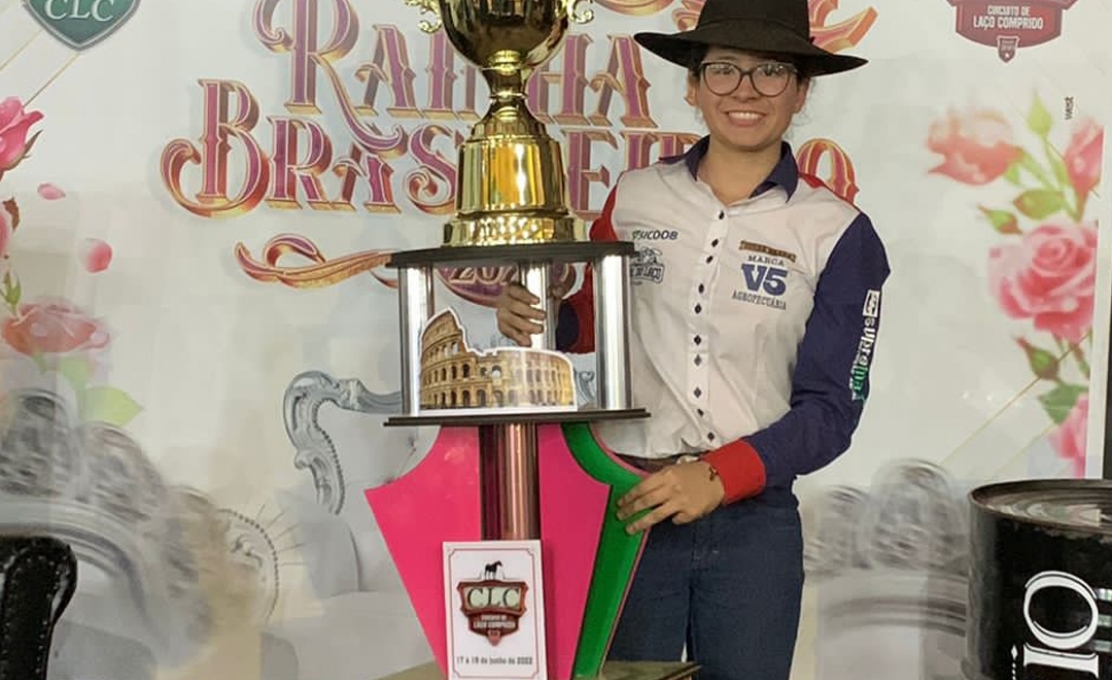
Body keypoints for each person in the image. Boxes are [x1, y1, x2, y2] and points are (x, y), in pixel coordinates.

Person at [495, 0, 890, 678]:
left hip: (753, 527)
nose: (745, 90)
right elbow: (588, 333)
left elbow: (830, 412)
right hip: (627, 506)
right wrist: (535, 317)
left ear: (801, 90)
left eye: (770, 71)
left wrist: (719, 476)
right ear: (692, 83)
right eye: (724, 69)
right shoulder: (635, 197)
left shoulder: (837, 231)